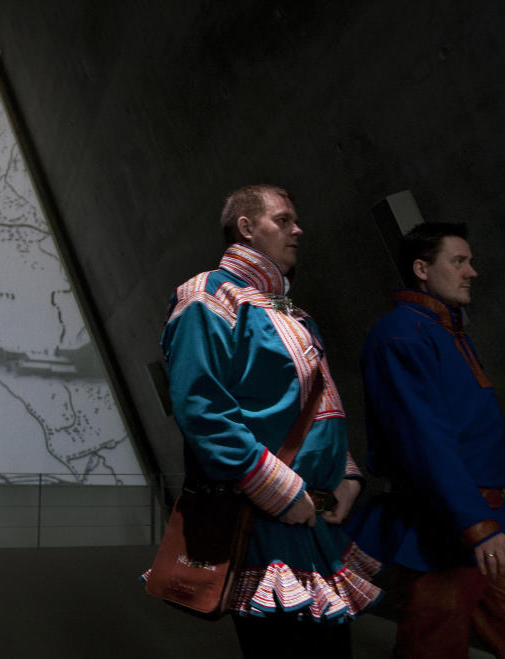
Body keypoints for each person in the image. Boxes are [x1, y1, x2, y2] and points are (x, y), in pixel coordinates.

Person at [154, 184, 381, 657]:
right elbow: (202, 409)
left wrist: (347, 476)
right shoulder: (207, 296)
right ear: (246, 228)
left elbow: (320, 409)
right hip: (264, 523)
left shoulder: (295, 312)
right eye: (283, 219)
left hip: (316, 519)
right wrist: (280, 490)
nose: (298, 230)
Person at [347, 222, 505, 657]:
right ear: (421, 269)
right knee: (432, 650)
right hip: (443, 527)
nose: (472, 271)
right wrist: (475, 524)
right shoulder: (400, 335)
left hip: (494, 521)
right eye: (459, 261)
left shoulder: (448, 332)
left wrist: (488, 521)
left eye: (469, 261)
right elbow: (424, 442)